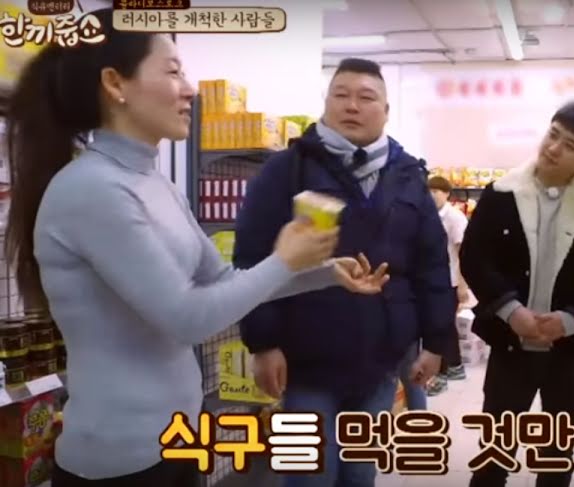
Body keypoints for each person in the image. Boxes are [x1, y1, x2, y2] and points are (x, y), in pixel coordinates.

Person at [3, 10, 388, 487]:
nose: (190, 89)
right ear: (115, 83)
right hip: (121, 460)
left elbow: (222, 281)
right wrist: (284, 258)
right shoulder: (92, 189)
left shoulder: (153, 182)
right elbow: (188, 318)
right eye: (173, 71)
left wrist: (325, 273)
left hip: (176, 437)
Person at [233, 57, 456, 487]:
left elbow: (431, 263)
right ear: (326, 102)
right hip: (304, 361)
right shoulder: (287, 169)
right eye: (341, 95)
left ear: (386, 111)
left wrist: (436, 342)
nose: (352, 105)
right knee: (308, 477)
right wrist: (263, 342)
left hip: (380, 362)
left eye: (366, 97)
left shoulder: (408, 175)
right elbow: (253, 256)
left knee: (359, 474)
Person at [460, 101, 574, 487]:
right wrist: (509, 309)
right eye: (553, 135)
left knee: (555, 456)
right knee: (494, 452)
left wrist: (571, 320)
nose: (554, 148)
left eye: (569, 145)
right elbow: (475, 258)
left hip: (570, 352)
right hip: (511, 346)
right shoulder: (501, 195)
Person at [425, 175, 470, 396]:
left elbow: (464, 254)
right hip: (432, 280)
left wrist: (463, 285)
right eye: (429, 191)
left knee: (440, 327)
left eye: (436, 191)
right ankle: (456, 366)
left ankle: (441, 375)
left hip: (450, 281)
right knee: (445, 326)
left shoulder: (455, 217)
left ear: (447, 194)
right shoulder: (427, 215)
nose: (432, 195)